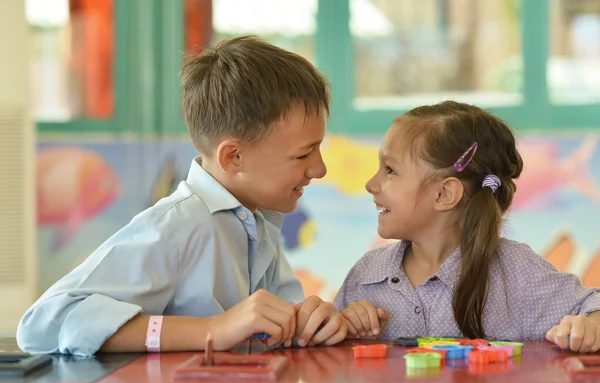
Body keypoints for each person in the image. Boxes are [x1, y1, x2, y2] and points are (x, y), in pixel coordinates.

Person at [18, 36, 347, 356]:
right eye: (303, 155)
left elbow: (275, 329)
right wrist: (212, 330)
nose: (319, 169)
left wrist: (312, 323)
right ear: (232, 157)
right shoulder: (177, 227)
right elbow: (43, 324)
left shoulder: (259, 224)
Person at [334, 100, 600, 353]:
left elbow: (593, 307)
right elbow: (330, 355)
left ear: (444, 194)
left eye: (390, 170)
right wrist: (344, 328)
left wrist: (590, 327)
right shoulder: (365, 276)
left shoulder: (518, 272)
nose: (371, 183)